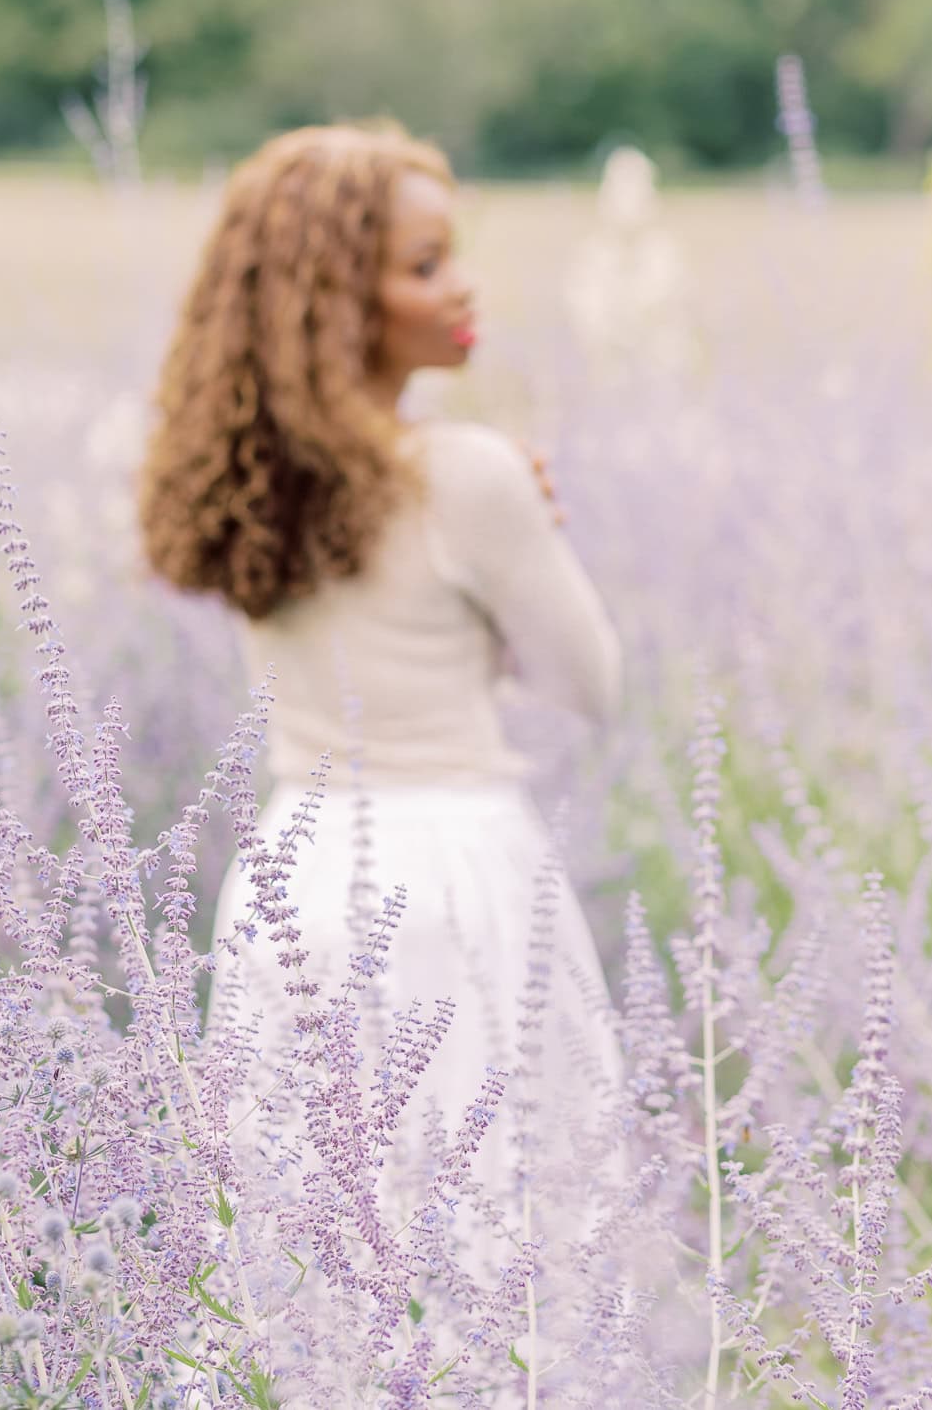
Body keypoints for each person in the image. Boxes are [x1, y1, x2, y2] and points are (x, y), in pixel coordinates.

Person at [136, 118, 625, 1348]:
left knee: (308, 1267)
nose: (461, 288)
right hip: (454, 870)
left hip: (297, 875)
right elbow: (591, 681)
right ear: (335, 295)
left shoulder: (246, 476)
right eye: (423, 263)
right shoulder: (464, 474)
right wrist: (518, 569)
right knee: (502, 1248)